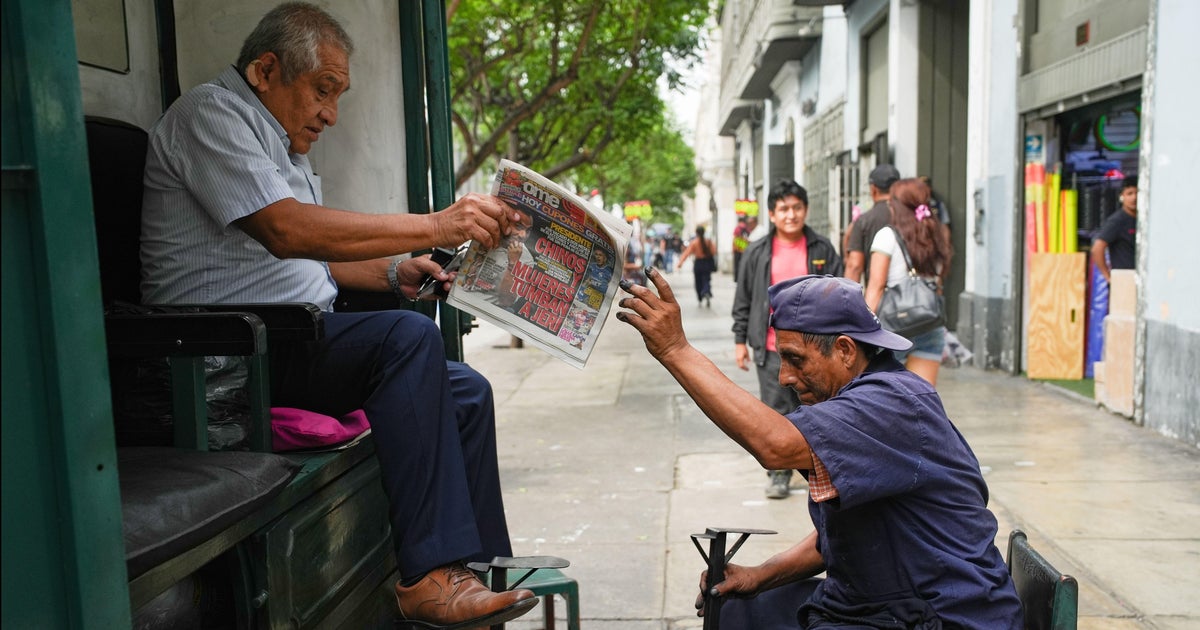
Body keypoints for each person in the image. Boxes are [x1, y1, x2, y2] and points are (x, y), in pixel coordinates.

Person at [138, 4, 537, 627]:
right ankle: (429, 575)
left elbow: (311, 259)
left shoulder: (281, 146)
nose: (330, 113)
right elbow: (286, 231)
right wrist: (436, 224)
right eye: (323, 91)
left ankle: (474, 574)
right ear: (266, 70)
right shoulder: (210, 115)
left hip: (288, 337)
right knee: (408, 339)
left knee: (466, 391)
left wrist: (393, 270)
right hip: (226, 359)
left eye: (338, 96)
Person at [615, 271, 1022, 629]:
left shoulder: (892, 402)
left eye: (795, 359)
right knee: (739, 609)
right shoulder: (856, 401)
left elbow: (775, 446)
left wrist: (676, 351)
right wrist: (760, 575)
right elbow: (839, 537)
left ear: (845, 350)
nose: (786, 377)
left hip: (943, 614)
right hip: (881, 601)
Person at [732, 180, 843, 499]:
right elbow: (745, 298)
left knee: (820, 411)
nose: (791, 215)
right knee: (777, 413)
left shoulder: (822, 249)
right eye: (783, 209)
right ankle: (779, 473)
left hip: (817, 349)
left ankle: (825, 472)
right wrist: (740, 339)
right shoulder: (757, 252)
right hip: (771, 348)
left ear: (805, 210)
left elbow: (838, 291)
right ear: (771, 214)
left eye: (796, 208)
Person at [863, 178, 952, 386]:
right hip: (929, 325)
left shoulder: (887, 236)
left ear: (895, 205)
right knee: (920, 402)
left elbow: (875, 288)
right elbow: (937, 284)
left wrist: (864, 332)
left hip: (893, 330)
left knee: (886, 402)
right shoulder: (936, 236)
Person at [843, 163, 900, 285]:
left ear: (873, 189)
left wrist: (847, 300)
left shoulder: (864, 221)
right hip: (914, 297)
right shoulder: (911, 217)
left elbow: (855, 266)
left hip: (879, 297)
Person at [1090, 175, 1138, 282]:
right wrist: (1107, 276)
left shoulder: (1144, 220)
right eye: (1129, 193)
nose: (1134, 198)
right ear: (1122, 197)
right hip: (1123, 278)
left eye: (1137, 193)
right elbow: (1097, 248)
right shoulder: (1117, 221)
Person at [677, 225, 717, 306]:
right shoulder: (708, 241)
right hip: (707, 263)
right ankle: (706, 291)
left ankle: (700, 297)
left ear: (696, 233)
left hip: (698, 263)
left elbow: (687, 253)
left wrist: (680, 263)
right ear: (704, 232)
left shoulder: (694, 242)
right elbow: (714, 252)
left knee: (698, 281)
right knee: (706, 279)